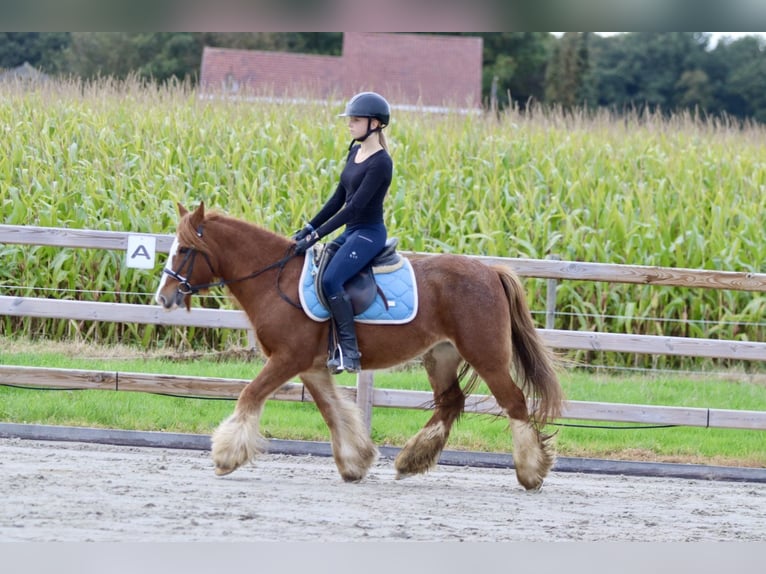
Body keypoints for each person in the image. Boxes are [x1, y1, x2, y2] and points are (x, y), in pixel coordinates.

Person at [293, 91, 393, 374]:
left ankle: (349, 351)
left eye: (356, 120)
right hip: (351, 232)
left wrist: (317, 237)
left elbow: (354, 208)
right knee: (318, 274)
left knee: (332, 278)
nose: (350, 125)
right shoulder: (355, 151)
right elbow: (338, 198)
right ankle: (332, 344)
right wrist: (310, 227)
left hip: (369, 234)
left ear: (375, 124)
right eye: (350, 119)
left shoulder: (381, 162)